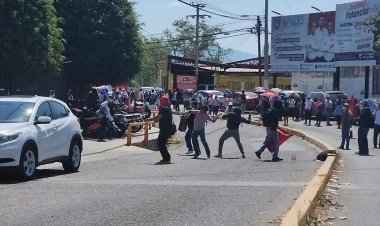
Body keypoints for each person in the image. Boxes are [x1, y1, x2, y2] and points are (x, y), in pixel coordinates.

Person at [148, 96, 173, 164]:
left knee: (160, 143)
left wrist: (149, 119)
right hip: (167, 129)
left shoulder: (164, 109)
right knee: (161, 143)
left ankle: (166, 158)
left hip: (165, 129)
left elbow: (158, 117)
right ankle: (166, 157)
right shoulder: (168, 108)